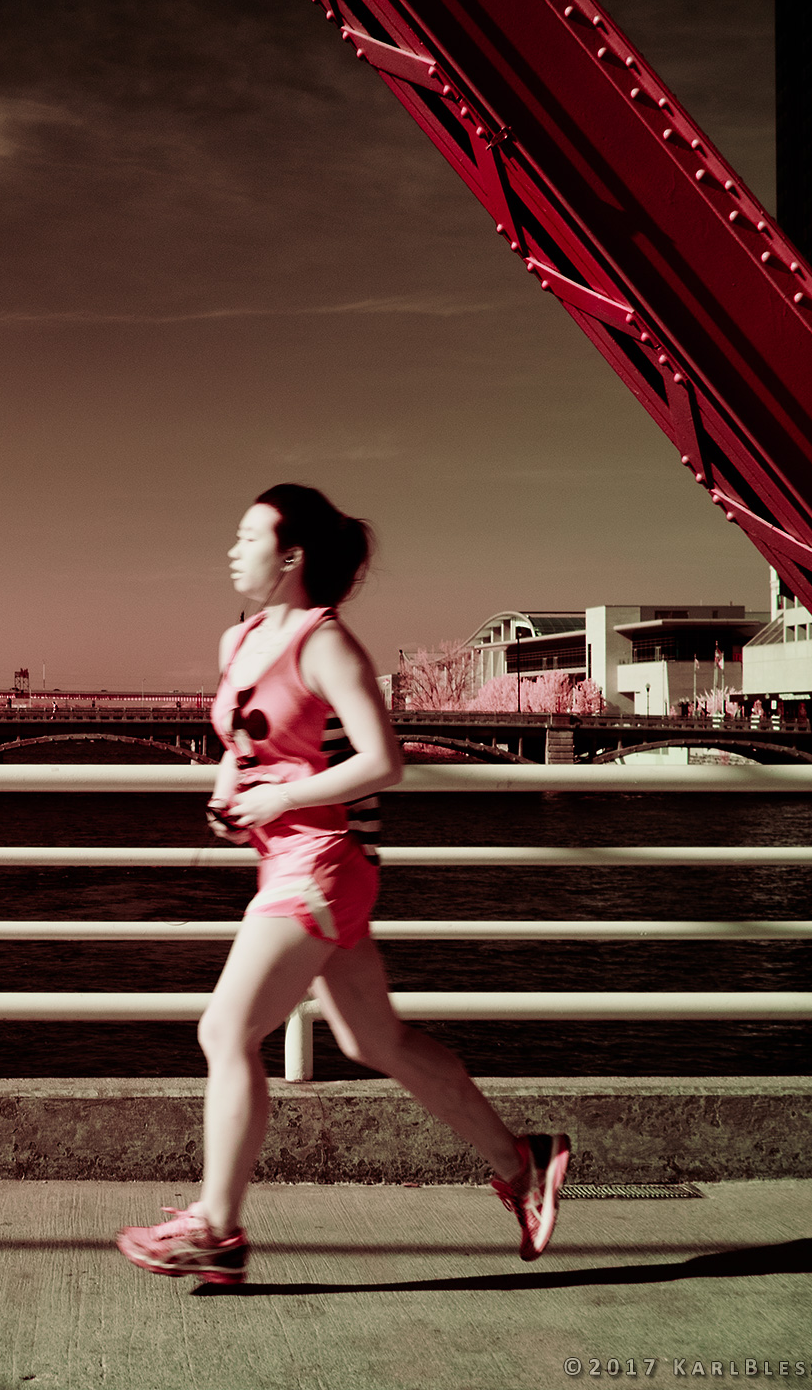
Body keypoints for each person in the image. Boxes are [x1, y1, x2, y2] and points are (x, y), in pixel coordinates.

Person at [116, 484, 571, 1287]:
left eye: (246, 534)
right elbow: (245, 739)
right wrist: (229, 792)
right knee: (374, 1042)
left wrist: (283, 797)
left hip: (325, 861)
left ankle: (216, 1231)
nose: (232, 548)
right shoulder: (238, 640)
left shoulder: (327, 644)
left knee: (224, 1032)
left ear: (291, 557)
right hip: (282, 857)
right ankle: (523, 1161)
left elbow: (382, 760)